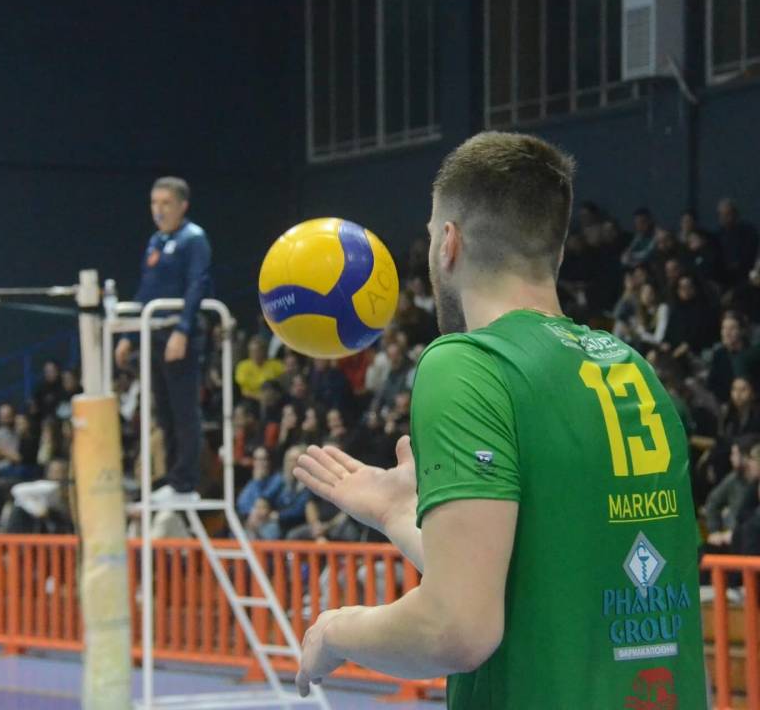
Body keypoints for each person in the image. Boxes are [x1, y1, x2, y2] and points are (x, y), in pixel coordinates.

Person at [292, 131, 706, 708]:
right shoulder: (630, 369)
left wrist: (336, 630)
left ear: (449, 244)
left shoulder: (467, 363)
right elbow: (544, 586)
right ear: (556, 253)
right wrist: (398, 514)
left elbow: (457, 629)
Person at [114, 176, 212, 502]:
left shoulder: (193, 239)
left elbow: (197, 285)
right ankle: (172, 479)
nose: (159, 210)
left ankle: (186, 482)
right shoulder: (156, 241)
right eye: (154, 203)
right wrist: (129, 335)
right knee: (164, 412)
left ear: (183, 206)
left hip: (178, 334)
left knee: (184, 410)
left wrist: (183, 330)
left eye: (166, 203)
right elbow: (146, 291)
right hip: (153, 333)